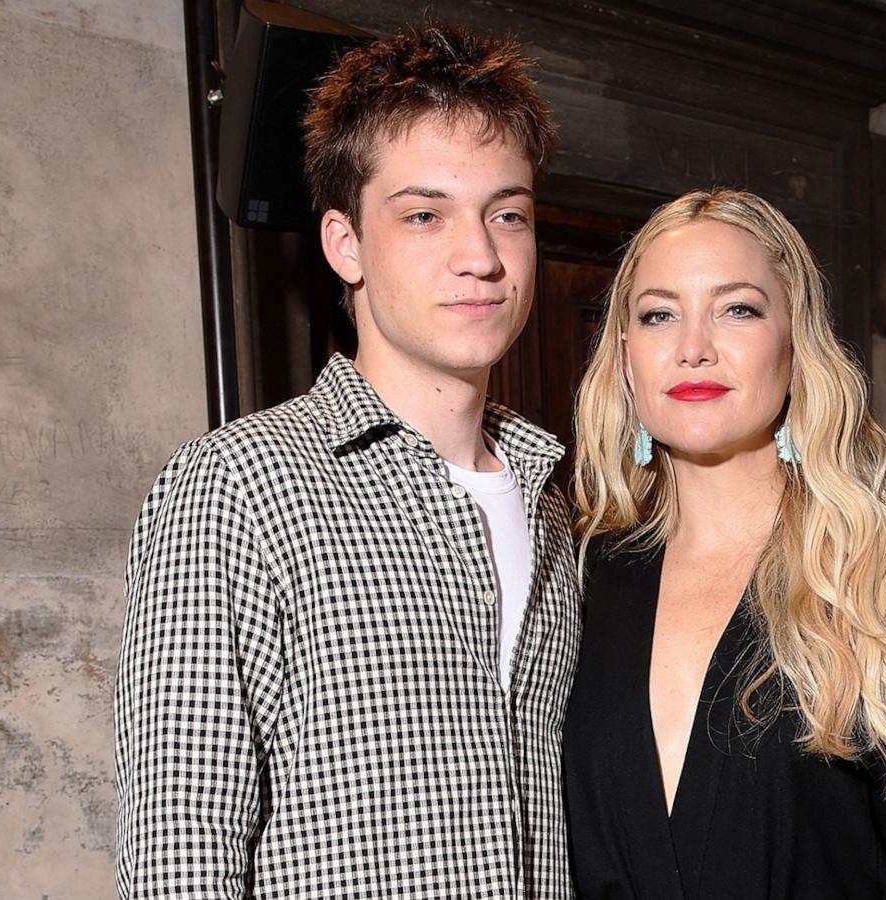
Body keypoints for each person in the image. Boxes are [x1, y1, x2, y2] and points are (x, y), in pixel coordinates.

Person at [114, 24, 580, 899]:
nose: (479, 256)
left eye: (507, 214)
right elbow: (180, 856)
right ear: (345, 245)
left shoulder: (551, 503)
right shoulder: (238, 487)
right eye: (424, 215)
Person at [563, 189, 886, 899]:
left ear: (795, 341)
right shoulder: (582, 582)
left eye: (738, 308)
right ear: (626, 357)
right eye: (658, 314)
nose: (693, 347)